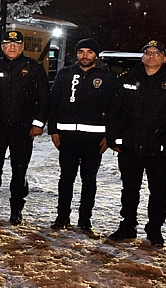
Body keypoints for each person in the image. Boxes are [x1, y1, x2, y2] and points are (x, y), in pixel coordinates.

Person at [107, 40, 166, 247]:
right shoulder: (127, 78)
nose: (151, 56)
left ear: (164, 58)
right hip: (130, 146)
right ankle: (127, 226)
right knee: (129, 189)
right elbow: (115, 110)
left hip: (158, 150)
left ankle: (154, 230)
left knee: (158, 191)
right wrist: (114, 138)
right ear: (142, 57)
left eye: (156, 53)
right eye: (148, 52)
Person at [0, 30, 49, 226]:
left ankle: (16, 210)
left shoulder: (34, 68)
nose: (12, 47)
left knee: (19, 170)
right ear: (2, 47)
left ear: (22, 47)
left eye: (16, 44)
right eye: (8, 44)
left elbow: (44, 99)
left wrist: (38, 124)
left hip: (22, 129)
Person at [47, 38, 117, 233]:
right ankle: (62, 217)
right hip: (68, 137)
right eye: (81, 52)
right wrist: (53, 129)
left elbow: (113, 109)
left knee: (89, 179)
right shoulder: (64, 74)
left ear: (96, 54)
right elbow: (54, 103)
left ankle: (85, 220)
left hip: (93, 139)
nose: (84, 56)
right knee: (66, 178)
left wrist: (109, 136)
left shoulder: (107, 77)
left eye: (89, 52)